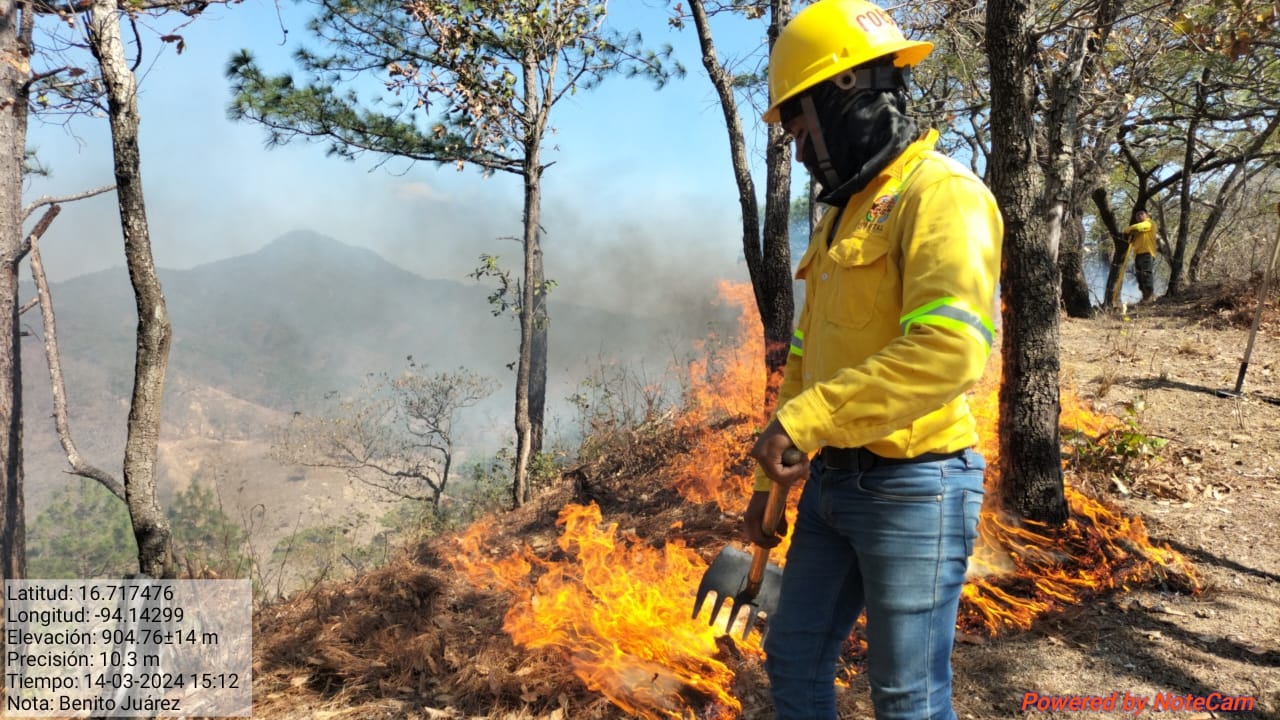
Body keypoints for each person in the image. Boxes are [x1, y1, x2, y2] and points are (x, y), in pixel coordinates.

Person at [745, 1, 1003, 718]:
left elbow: (949, 351)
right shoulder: (843, 215)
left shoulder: (941, 196)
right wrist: (776, 476)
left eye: (801, 126)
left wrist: (808, 416)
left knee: (906, 697)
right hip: (831, 485)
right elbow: (809, 352)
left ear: (846, 95)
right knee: (793, 661)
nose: (798, 150)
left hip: (915, 488)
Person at [1125, 210, 1158, 302]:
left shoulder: (1149, 223)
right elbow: (1128, 231)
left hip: (1147, 252)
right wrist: (1130, 230)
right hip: (1137, 254)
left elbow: (1138, 227)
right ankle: (1145, 296)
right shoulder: (1136, 231)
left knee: (1146, 274)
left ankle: (1150, 296)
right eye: (1137, 215)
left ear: (1146, 215)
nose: (1139, 216)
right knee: (1139, 276)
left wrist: (1130, 229)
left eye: (1141, 214)